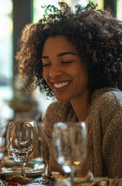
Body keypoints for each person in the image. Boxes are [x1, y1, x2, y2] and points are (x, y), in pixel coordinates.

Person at [16, 2, 122, 177]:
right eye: (46, 64)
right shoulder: (55, 115)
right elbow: (58, 183)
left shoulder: (112, 106)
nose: (53, 73)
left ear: (93, 62)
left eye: (66, 61)